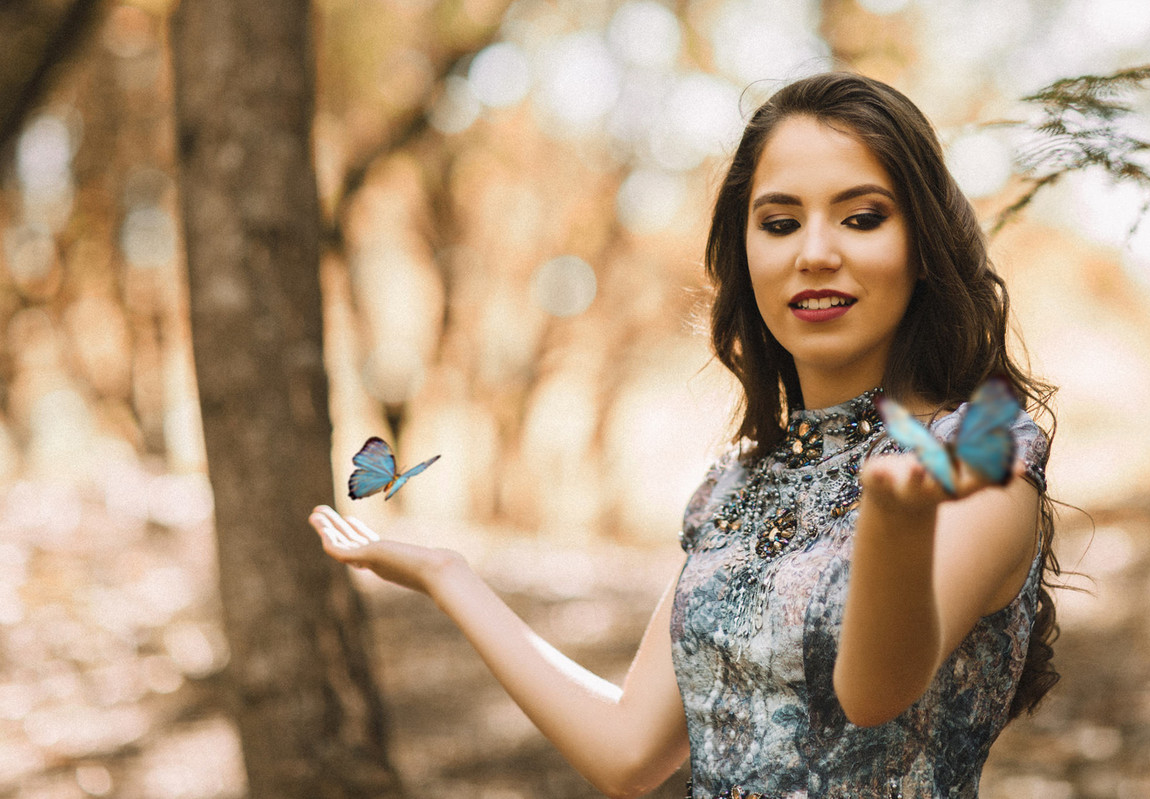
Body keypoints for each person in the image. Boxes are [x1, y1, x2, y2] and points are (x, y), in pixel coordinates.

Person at [309, 71, 1060, 799]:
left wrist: (896, 519)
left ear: (922, 246)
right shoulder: (739, 487)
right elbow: (627, 753)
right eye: (779, 222)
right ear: (747, 254)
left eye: (862, 217)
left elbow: (872, 695)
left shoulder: (980, 465)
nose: (815, 252)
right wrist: (450, 575)